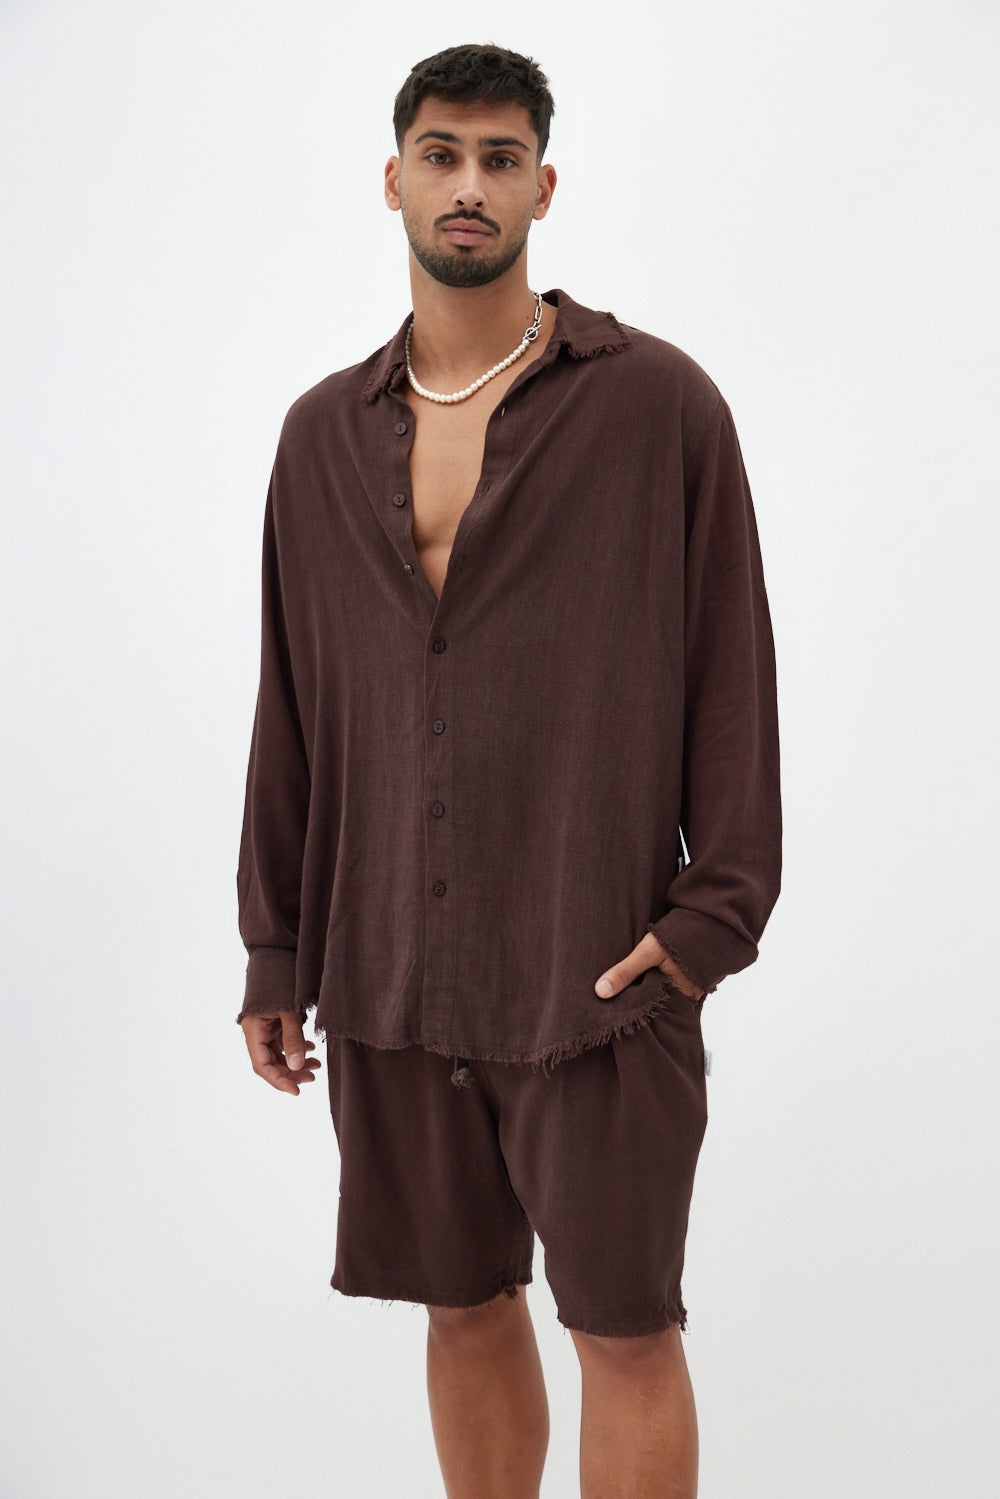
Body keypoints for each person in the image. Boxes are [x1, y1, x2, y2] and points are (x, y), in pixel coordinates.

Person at [236, 41, 781, 1499]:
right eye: (441, 154)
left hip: (595, 971)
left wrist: (707, 923)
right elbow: (293, 702)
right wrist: (277, 948)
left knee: (625, 1330)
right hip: (393, 970)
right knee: (463, 1308)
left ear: (544, 185)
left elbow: (733, 674)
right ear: (394, 179)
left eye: (499, 157)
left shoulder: (658, 405)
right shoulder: (319, 435)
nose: (468, 183)